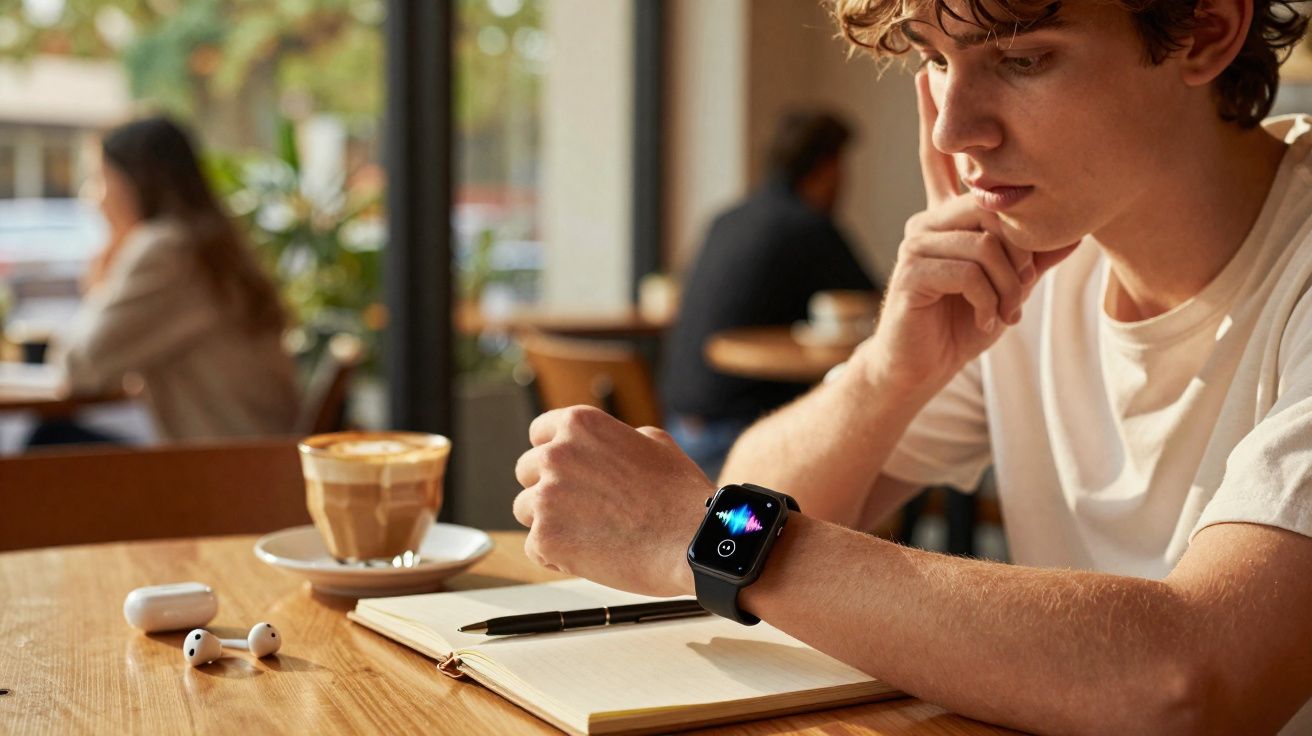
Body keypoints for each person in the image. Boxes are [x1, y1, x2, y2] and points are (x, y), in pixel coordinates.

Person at [510, 0, 1312, 732]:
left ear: (1205, 29)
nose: (952, 132)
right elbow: (755, 496)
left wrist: (702, 534)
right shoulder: (1035, 261)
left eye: (1023, 58)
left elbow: (1192, 683)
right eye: (933, 58)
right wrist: (890, 371)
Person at [36, 116, 298, 444]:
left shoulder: (167, 250)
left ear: (133, 183)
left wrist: (106, 269)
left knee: (47, 437)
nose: (94, 198)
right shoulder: (206, 245)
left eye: (101, 180)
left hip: (223, 461)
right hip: (253, 449)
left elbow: (79, 368)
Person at [661, 110, 879, 478]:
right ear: (828, 167)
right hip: (740, 441)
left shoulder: (726, 219)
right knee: (875, 449)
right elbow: (882, 306)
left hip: (677, 432)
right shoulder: (808, 227)